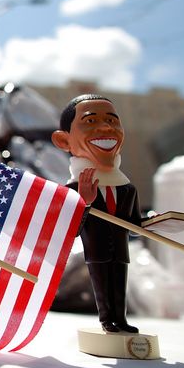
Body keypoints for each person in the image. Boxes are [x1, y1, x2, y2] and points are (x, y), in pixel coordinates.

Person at [51, 94, 142, 333]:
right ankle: (107, 320)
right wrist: (86, 202)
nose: (105, 127)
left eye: (112, 121)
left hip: (121, 251)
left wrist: (159, 224)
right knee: (102, 286)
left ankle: (120, 319)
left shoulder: (127, 187)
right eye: (90, 121)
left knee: (119, 285)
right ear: (64, 141)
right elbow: (71, 230)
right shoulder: (73, 190)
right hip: (97, 251)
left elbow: (135, 224)